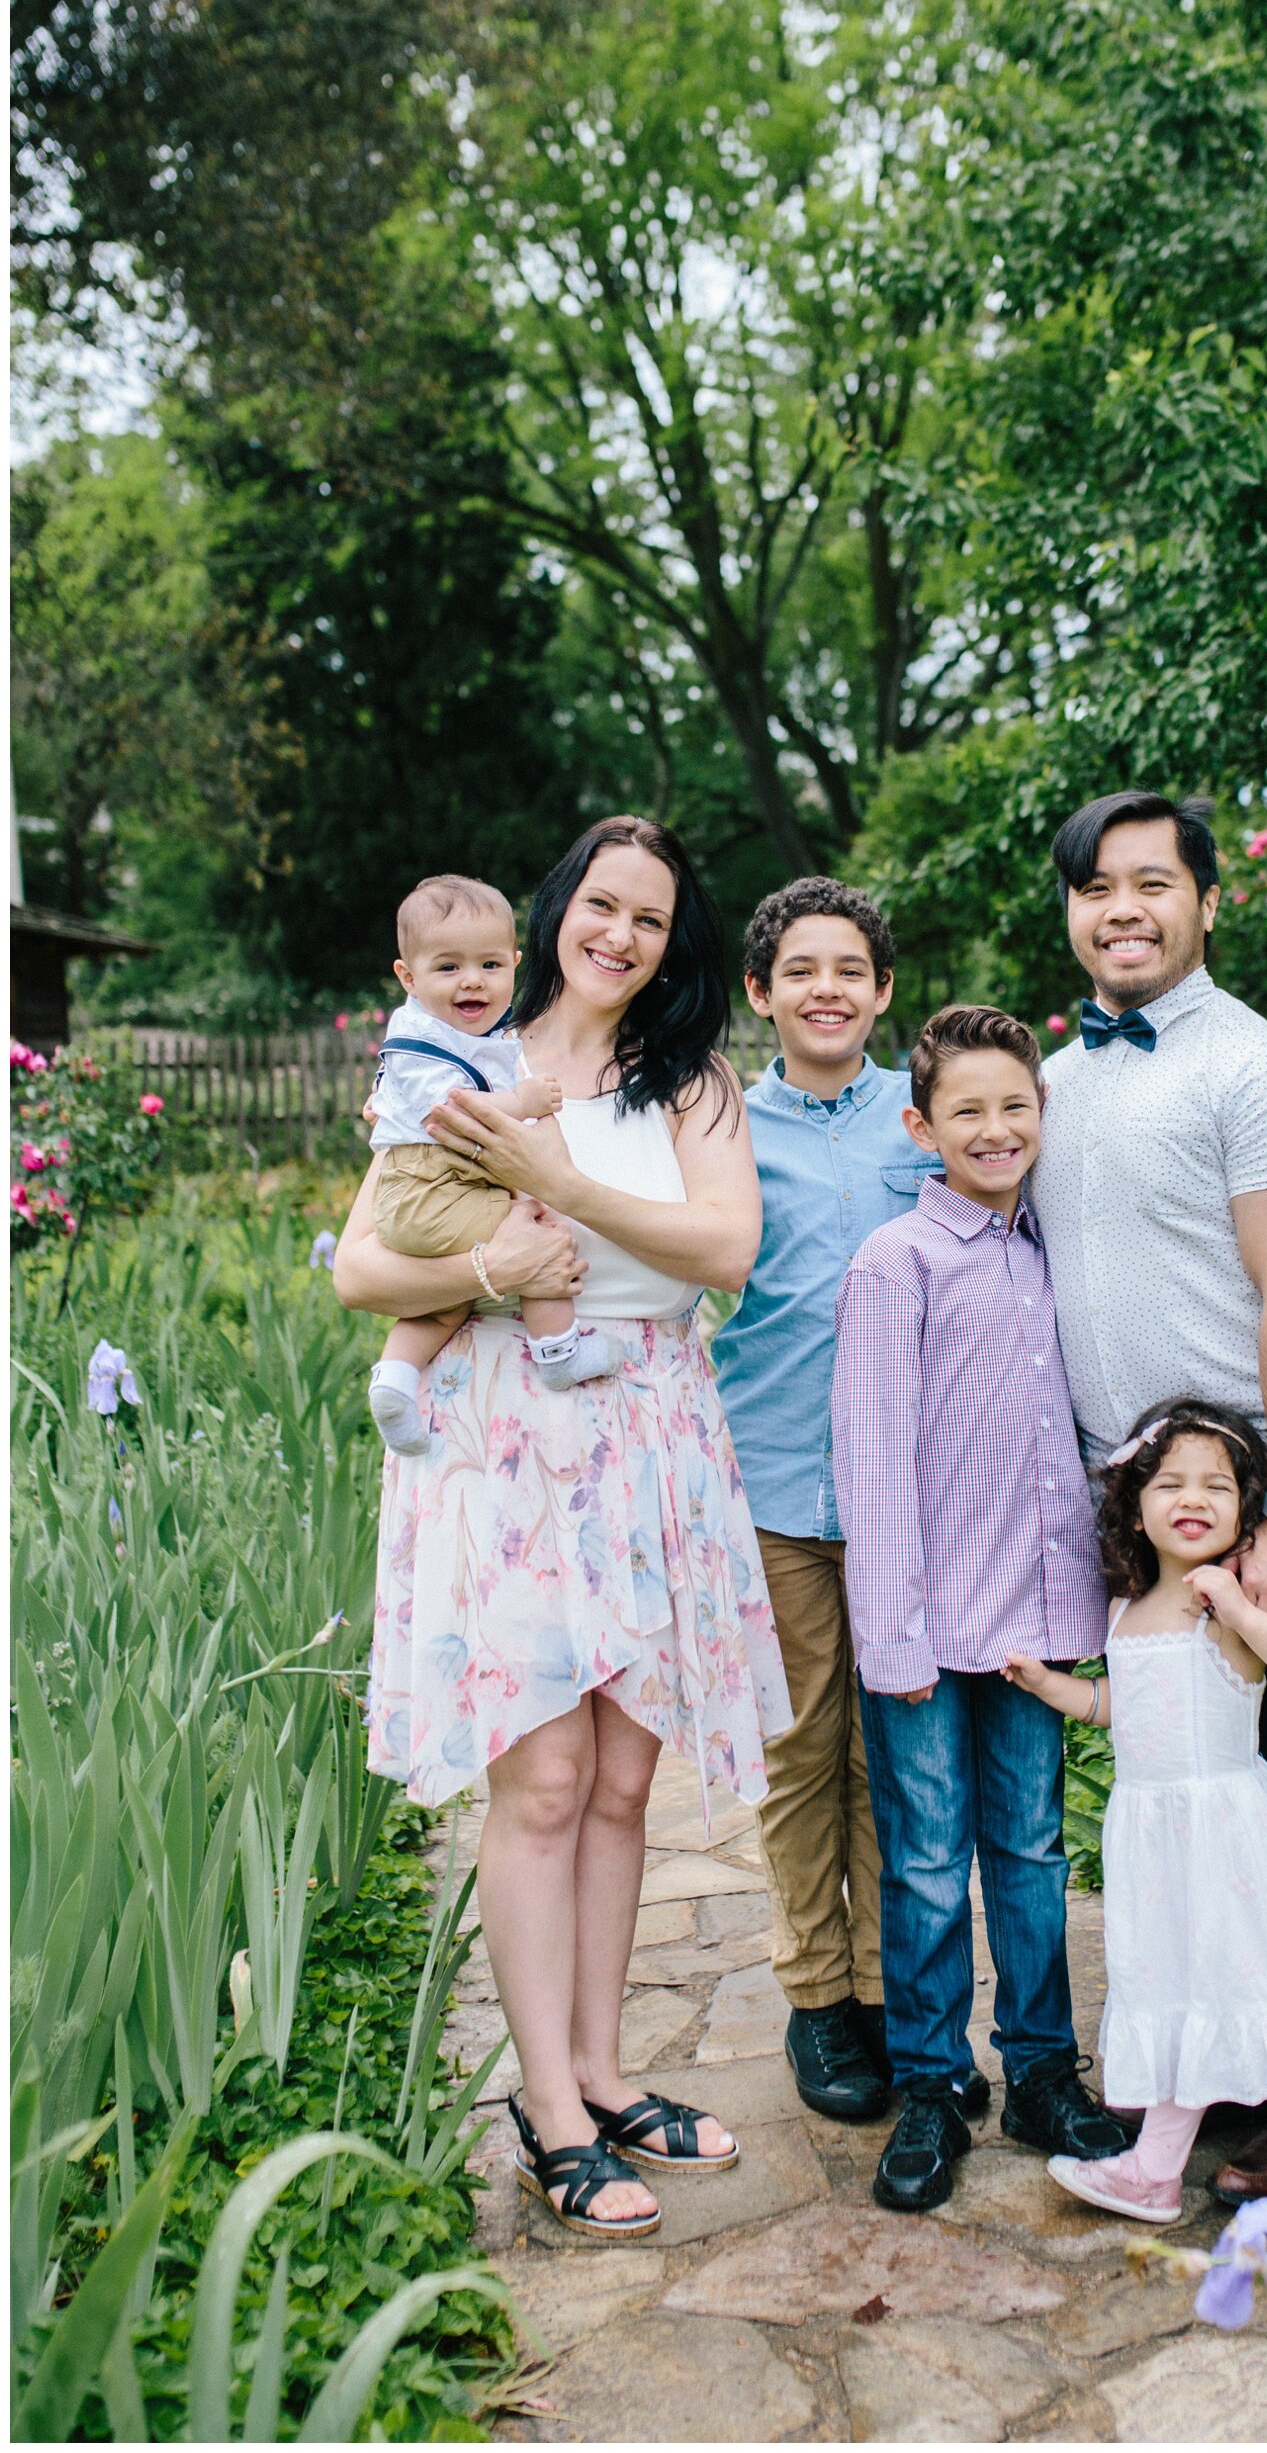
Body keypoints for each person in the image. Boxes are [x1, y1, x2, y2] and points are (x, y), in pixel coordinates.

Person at [334, 815, 791, 2241]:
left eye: (651, 919)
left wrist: (575, 1196)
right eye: (603, 903)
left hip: (649, 1427)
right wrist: (489, 1258)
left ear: (675, 944)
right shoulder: (462, 1054)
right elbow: (361, 1263)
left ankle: (604, 2070)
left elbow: (725, 1251)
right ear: (559, 909)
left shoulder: (695, 1083)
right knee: (537, 1782)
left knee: (616, 1784)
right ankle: (547, 2107)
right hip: (507, 1435)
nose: (622, 934)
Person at [1030, 787, 1267, 2205]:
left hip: (1262, 1499)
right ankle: (1221, 2088)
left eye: (1151, 884)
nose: (1122, 908)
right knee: (1191, 1793)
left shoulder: (1262, 1068)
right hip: (1141, 1509)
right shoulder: (1062, 1077)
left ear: (1207, 902)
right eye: (1095, 887)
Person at [832, 1004, 1127, 2213]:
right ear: (923, 1125)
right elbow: (873, 1459)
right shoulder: (896, 1260)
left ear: (1041, 1115)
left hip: (1037, 1619)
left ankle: (1046, 2068)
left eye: (1017, 1105)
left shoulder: (1055, 1252)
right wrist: (890, 1638)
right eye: (969, 1109)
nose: (996, 1127)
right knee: (923, 1859)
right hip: (928, 1622)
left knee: (1033, 1849)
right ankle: (933, 2083)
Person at [712, 878, 991, 2128]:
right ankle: (818, 1992)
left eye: (852, 968)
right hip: (772, 1478)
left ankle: (894, 1993)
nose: (827, 986)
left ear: (883, 991)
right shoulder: (716, 1125)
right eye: (800, 968)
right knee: (802, 1747)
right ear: (760, 993)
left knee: (901, 1753)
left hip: (913, 1495)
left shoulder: (924, 1124)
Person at [1004, 1400, 1267, 2292]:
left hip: (1234, 1842)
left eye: (1216, 1485)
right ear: (1136, 1508)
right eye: (1169, 1483)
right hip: (1157, 1849)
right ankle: (1153, 2171)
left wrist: (1243, 1611)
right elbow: (1122, 1713)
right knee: (1175, 1993)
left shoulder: (1231, 1606)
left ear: (1246, 1512)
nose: (1192, 1499)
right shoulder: (1128, 1609)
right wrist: (1053, 1685)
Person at [363, 873, 621, 1455]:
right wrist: (522, 1103)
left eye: (489, 966)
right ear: (408, 976)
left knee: (448, 1299)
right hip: (431, 1188)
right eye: (448, 968)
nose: (472, 981)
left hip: (426, 1189)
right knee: (538, 1231)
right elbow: (454, 1113)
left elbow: (397, 1098)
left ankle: (396, 1380)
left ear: (514, 963)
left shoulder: (455, 1032)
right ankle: (559, 1350)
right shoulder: (429, 1040)